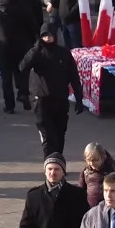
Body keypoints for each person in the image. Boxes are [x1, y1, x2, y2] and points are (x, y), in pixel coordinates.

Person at [23, 22, 78, 160]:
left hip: (60, 99)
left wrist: (79, 97)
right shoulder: (36, 52)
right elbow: (22, 68)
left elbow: (73, 76)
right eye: (44, 35)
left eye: (50, 35)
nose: (47, 38)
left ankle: (58, 162)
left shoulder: (64, 53)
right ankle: (49, 164)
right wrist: (24, 93)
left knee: (60, 133)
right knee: (48, 135)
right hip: (41, 100)